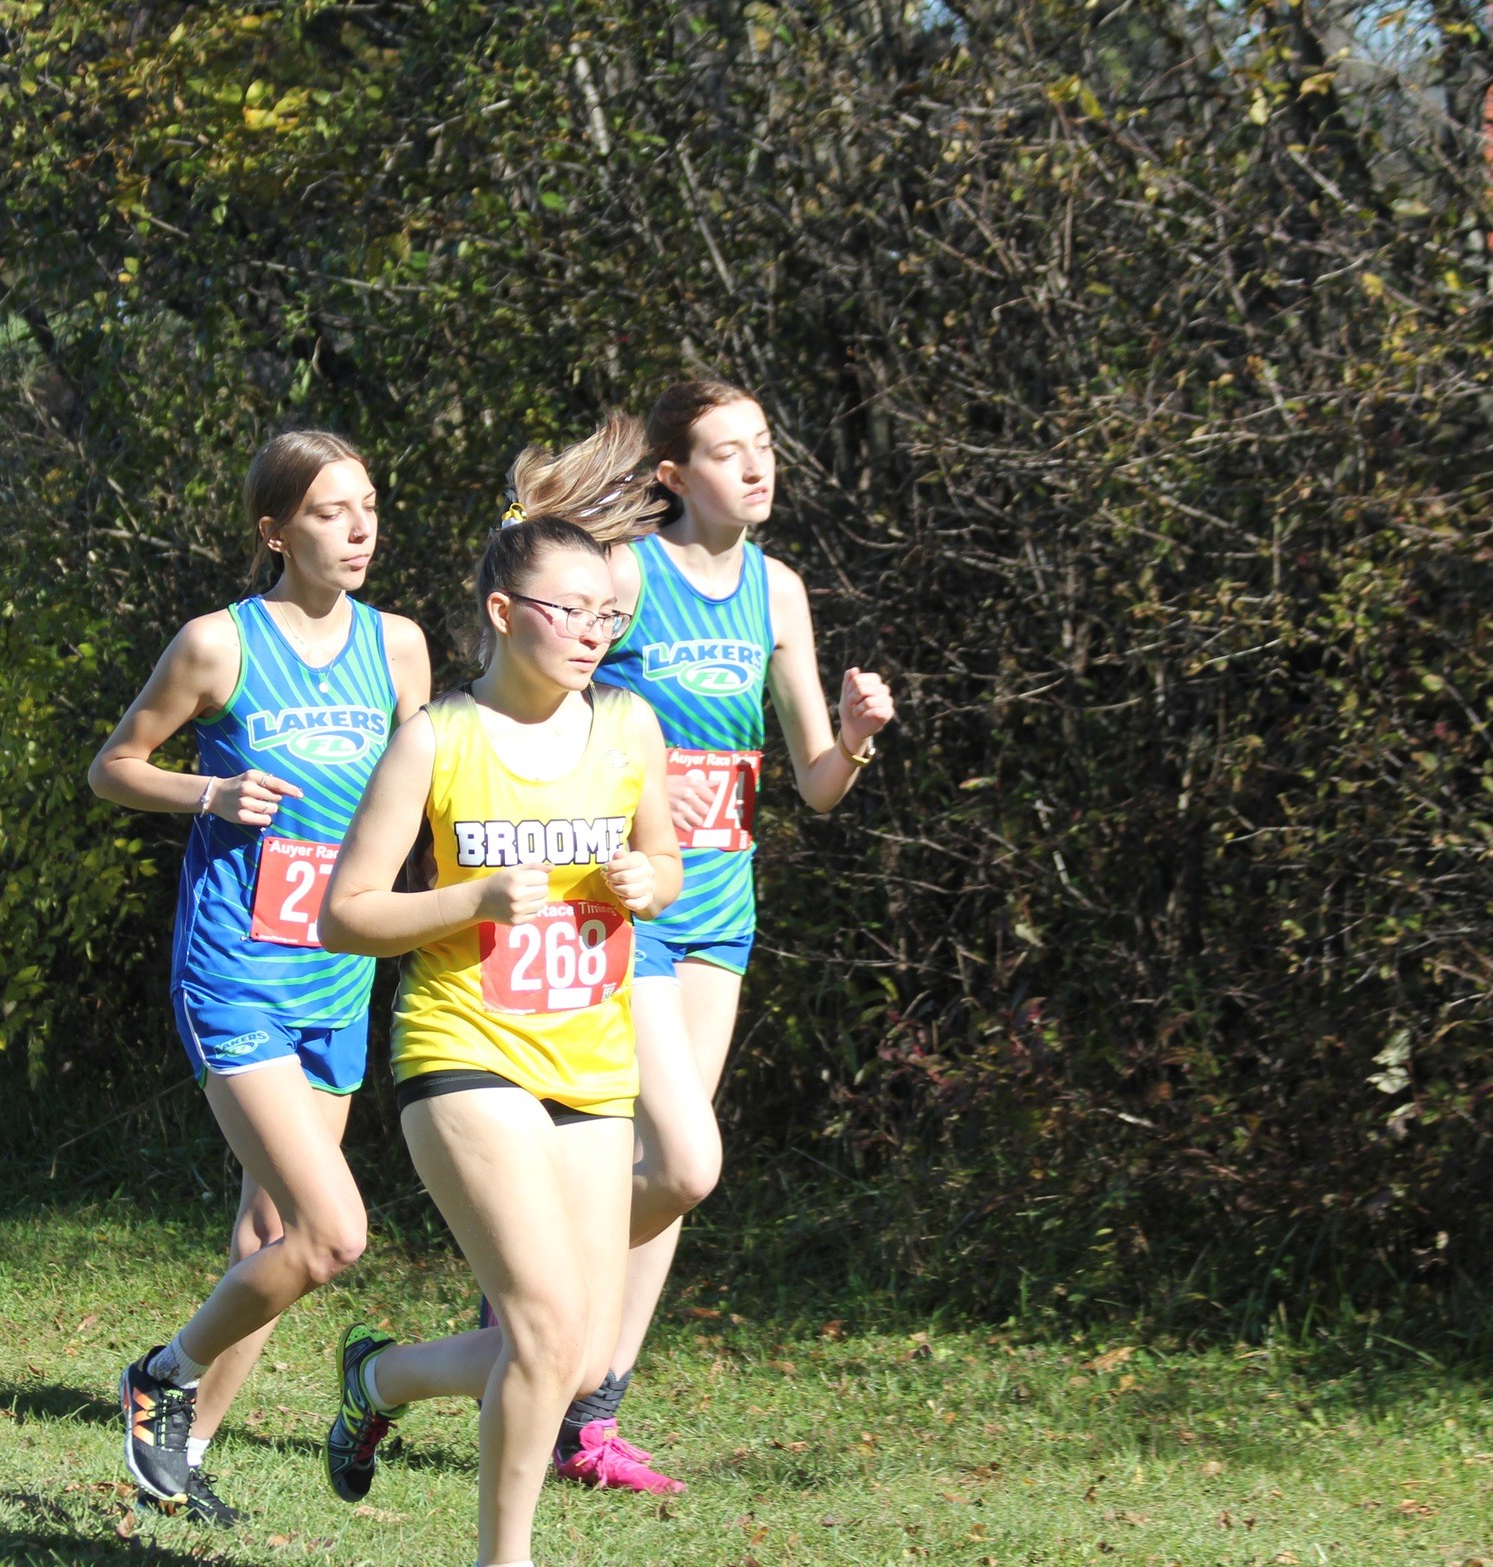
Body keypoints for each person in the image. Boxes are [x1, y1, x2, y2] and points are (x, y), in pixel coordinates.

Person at [316, 448, 683, 1567]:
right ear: (498, 610)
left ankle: (374, 1375)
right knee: (539, 1320)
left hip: (589, 1059)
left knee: (567, 1355)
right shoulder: (438, 737)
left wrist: (647, 882)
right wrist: (466, 898)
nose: (590, 632)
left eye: (603, 616)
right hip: (462, 1047)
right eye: (566, 611)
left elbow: (666, 859)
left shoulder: (627, 728)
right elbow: (345, 914)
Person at [545, 381, 897, 1492]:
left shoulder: (778, 590)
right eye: (727, 451)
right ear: (670, 476)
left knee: (668, 1173)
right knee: (690, 1163)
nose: (756, 467)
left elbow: (813, 783)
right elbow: (553, 707)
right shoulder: (630, 576)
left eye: (763, 447)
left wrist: (853, 738)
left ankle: (589, 1415)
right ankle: (539, 1306)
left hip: (723, 914)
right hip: (634, 906)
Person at [87, 432, 431, 1525]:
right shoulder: (216, 645)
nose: (360, 528)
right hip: (234, 968)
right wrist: (206, 796)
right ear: (275, 531)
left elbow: (424, 795)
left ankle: (179, 1463)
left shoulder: (400, 649)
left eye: (368, 506)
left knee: (269, 1231)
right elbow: (112, 767)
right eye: (332, 512)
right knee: (331, 1234)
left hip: (340, 972)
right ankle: (163, 1376)